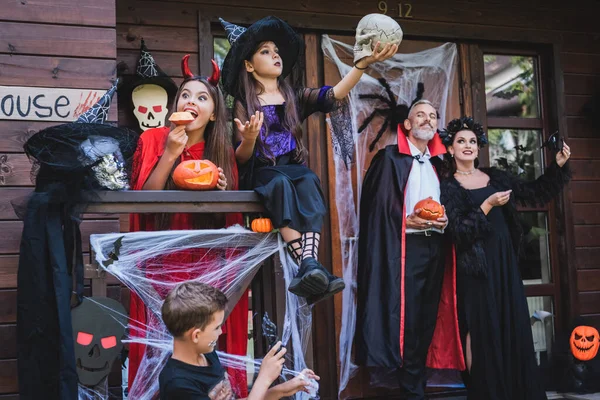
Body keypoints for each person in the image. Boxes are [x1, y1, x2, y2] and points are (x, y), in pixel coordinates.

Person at [219, 15, 397, 303]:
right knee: (281, 185)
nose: (274, 55)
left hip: (292, 168)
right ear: (249, 66)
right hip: (263, 172)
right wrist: (250, 139)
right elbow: (241, 157)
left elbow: (334, 94)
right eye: (265, 51)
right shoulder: (244, 103)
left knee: (308, 179)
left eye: (276, 51)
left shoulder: (294, 97)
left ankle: (308, 265)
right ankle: (309, 266)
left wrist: (361, 65)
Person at [128, 56, 248, 394]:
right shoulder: (153, 139)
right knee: (162, 340)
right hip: (161, 259)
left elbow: (231, 226)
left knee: (205, 337)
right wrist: (170, 153)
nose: (190, 101)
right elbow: (142, 202)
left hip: (205, 262)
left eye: (201, 97)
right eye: (185, 95)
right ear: (174, 105)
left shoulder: (222, 150)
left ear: (213, 114)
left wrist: (224, 196)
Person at [439, 117, 571, 400]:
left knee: (511, 322)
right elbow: (459, 232)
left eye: (472, 141)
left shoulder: (495, 176)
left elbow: (533, 193)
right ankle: (483, 392)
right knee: (478, 328)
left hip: (504, 263)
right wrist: (487, 205)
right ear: (450, 149)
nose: (467, 146)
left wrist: (557, 165)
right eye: (461, 141)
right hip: (475, 269)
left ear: (478, 148)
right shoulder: (448, 187)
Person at [355, 100, 465, 399]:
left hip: (436, 245)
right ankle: (409, 388)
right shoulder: (389, 158)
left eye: (432, 116)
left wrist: (446, 218)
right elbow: (378, 208)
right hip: (405, 247)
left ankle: (418, 382)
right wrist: (406, 219)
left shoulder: (440, 165)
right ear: (407, 124)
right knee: (408, 317)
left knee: (429, 315)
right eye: (420, 115)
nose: (427, 120)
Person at [159, 281, 320, 399]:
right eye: (216, 327)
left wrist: (284, 389)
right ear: (196, 336)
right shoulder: (178, 385)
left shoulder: (207, 355)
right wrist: (264, 378)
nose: (221, 331)